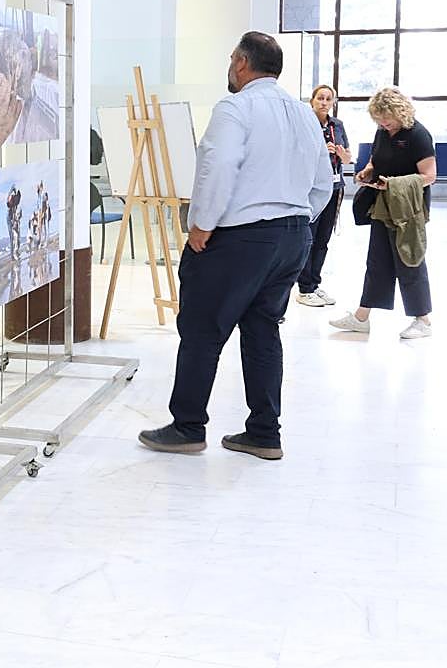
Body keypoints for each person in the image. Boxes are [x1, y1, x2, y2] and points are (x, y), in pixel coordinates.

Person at [138, 32, 331, 461]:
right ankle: (264, 432)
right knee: (263, 331)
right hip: (294, 234)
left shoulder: (235, 108)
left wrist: (201, 224)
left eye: (231, 60)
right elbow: (324, 182)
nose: (230, 67)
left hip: (240, 238)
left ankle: (187, 426)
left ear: (243, 63)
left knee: (203, 330)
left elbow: (218, 164)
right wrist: (297, 218)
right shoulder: (304, 114)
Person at [329, 87, 437, 339]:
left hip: (408, 207)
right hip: (383, 204)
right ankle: (361, 317)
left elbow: (430, 176)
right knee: (377, 261)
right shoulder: (383, 132)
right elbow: (376, 161)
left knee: (409, 258)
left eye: (386, 119)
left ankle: (423, 320)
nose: (383, 124)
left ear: (400, 111)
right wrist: (367, 171)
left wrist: (395, 184)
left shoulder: (418, 135)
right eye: (378, 120)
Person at [296, 85, 351, 307]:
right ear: (312, 101)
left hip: (335, 186)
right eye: (320, 98)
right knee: (309, 237)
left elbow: (348, 158)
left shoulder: (337, 125)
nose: (324, 102)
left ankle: (314, 284)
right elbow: (297, 153)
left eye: (328, 99)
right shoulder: (305, 123)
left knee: (323, 239)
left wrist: (342, 154)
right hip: (311, 188)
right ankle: (304, 287)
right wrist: (320, 150)